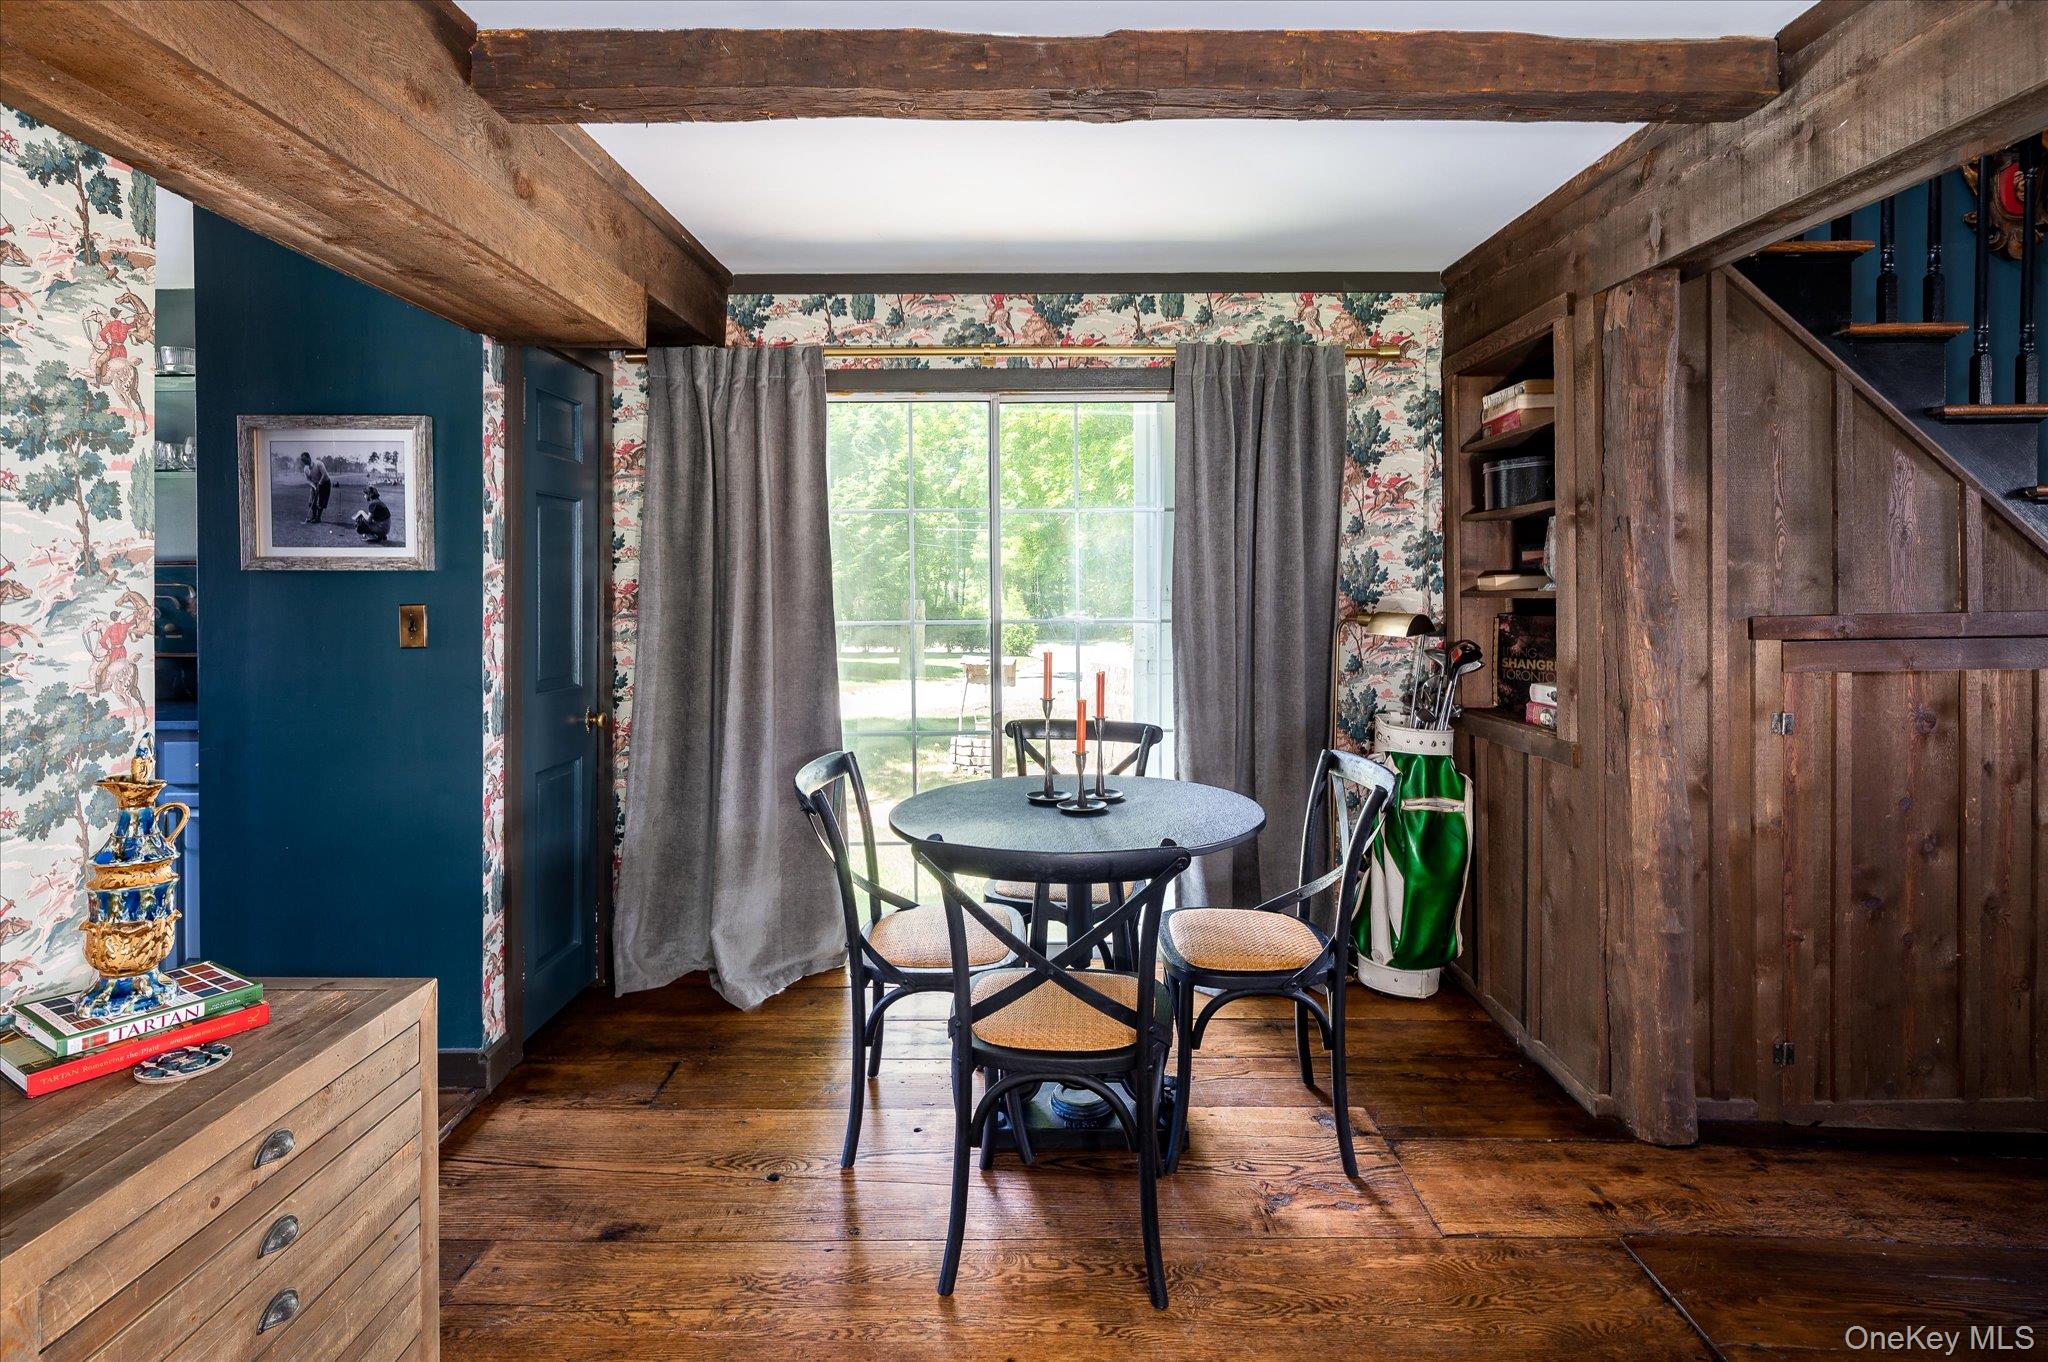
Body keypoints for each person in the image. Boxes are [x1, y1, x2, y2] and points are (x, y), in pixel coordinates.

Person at [299, 451, 331, 523]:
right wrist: (315, 487)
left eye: (305, 460)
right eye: (302, 461)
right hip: (315, 483)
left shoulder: (318, 463)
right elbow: (308, 480)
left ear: (309, 458)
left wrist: (319, 484)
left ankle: (318, 518)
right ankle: (313, 516)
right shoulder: (305, 469)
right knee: (311, 501)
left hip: (325, 482)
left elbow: (324, 475)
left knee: (321, 502)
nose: (304, 462)